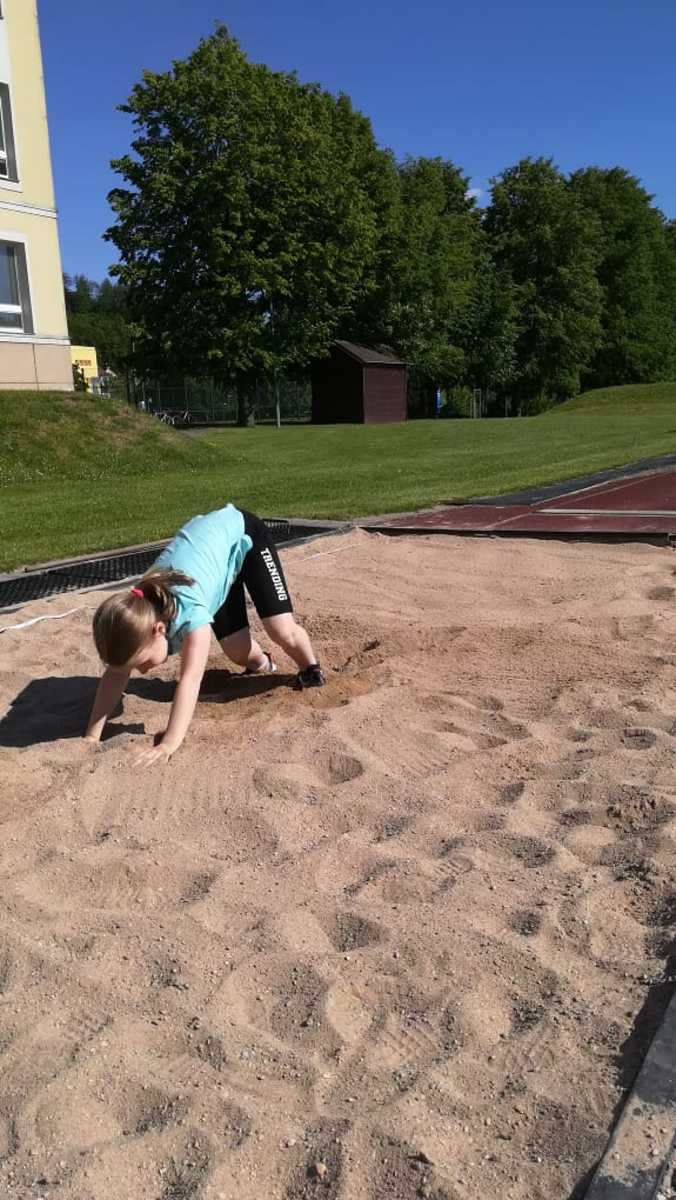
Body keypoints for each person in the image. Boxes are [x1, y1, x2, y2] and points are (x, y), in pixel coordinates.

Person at [85, 504, 324, 766]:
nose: (141, 671)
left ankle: (311, 669)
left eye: (141, 662)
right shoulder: (138, 612)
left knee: (281, 630)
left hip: (244, 537)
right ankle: (265, 663)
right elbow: (116, 673)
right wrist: (92, 736)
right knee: (237, 650)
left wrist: (168, 743)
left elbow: (190, 679)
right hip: (214, 567)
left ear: (159, 629)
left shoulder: (192, 616)